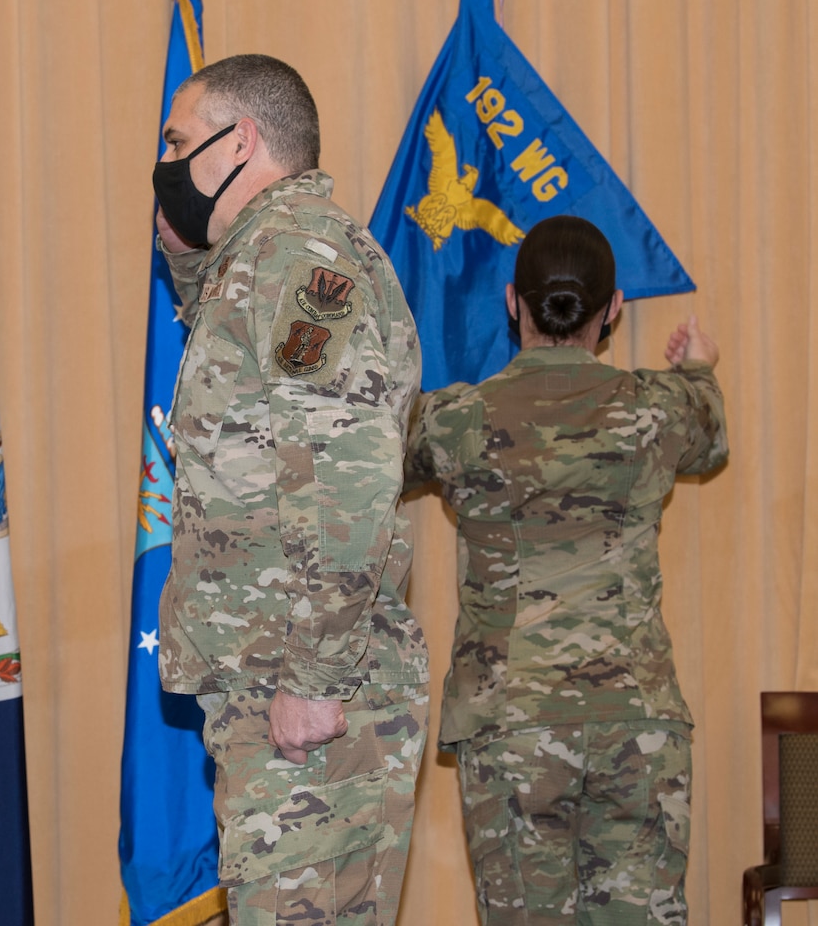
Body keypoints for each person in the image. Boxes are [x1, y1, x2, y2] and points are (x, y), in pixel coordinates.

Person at [154, 54, 428, 924]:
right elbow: (263, 431)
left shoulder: (298, 254)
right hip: (277, 687)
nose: (162, 163)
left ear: (242, 141)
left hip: (314, 697)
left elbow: (347, 467)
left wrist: (313, 675)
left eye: (177, 140)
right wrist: (191, 264)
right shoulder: (261, 259)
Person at [404, 215, 728, 924]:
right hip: (637, 727)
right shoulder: (656, 410)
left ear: (513, 301)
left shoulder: (461, 419)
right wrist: (698, 364)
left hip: (513, 728)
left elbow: (377, 462)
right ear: (613, 310)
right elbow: (709, 431)